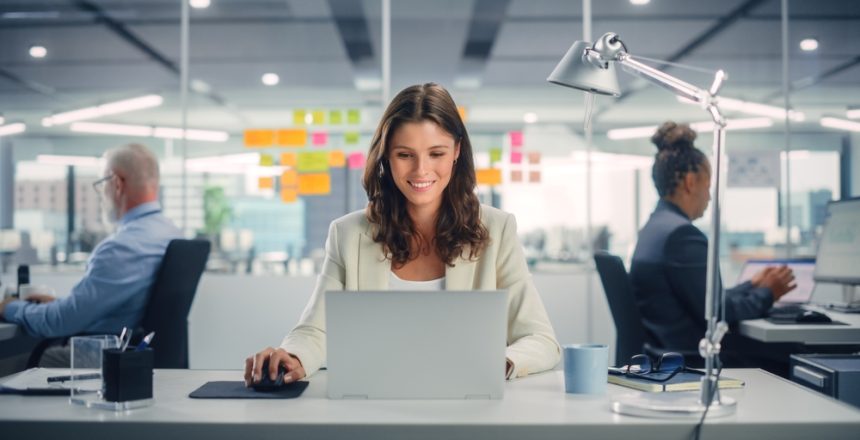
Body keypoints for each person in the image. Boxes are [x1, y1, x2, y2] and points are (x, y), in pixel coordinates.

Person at [245, 83, 561, 386]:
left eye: (436, 153)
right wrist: (293, 356)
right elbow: (316, 330)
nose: (421, 170)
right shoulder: (348, 234)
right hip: (373, 403)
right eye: (405, 155)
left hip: (469, 405)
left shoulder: (497, 229)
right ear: (385, 156)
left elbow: (541, 340)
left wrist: (500, 363)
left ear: (456, 151)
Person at [629, 121, 796, 366]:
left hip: (665, 352)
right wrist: (768, 293)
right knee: (792, 354)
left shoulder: (655, 229)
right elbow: (717, 313)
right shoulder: (682, 236)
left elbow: (705, 299)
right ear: (690, 182)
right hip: (694, 358)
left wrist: (752, 284)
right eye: (708, 186)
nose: (709, 197)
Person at [0, 143, 182, 366]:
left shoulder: (122, 248)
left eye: (101, 184)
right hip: (136, 356)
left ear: (116, 184)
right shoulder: (170, 233)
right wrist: (62, 304)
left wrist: (9, 307)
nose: (101, 194)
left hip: (107, 357)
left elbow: (60, 322)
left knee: (15, 362)